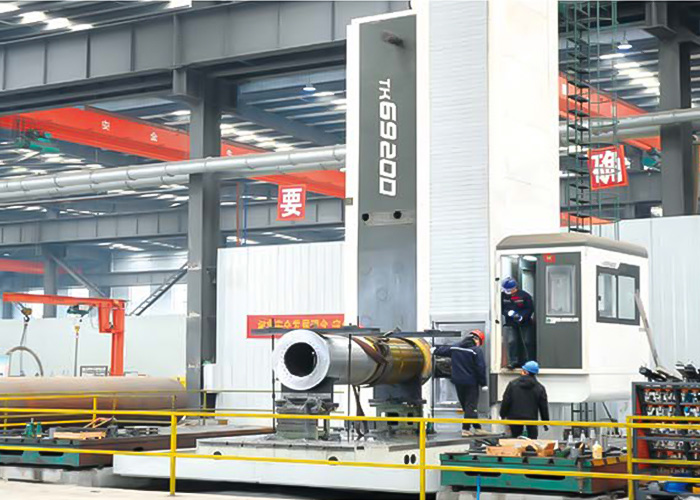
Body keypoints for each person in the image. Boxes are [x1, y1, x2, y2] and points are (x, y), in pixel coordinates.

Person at [434, 330, 488, 437]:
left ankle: (477, 428)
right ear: (477, 340)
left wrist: (433, 349)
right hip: (471, 383)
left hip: (458, 382)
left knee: (466, 406)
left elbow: (442, 351)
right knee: (470, 406)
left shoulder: (455, 347)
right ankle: (466, 429)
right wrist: (483, 383)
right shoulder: (475, 350)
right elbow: (480, 367)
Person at [499, 361, 549, 439]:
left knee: (515, 440)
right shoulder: (539, 388)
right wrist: (545, 421)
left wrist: (502, 414)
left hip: (514, 418)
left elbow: (506, 401)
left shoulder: (513, 384)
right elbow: (543, 406)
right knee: (532, 441)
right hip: (531, 419)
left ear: (525, 372)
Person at [501, 277, 535, 369]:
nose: (507, 292)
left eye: (509, 290)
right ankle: (513, 362)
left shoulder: (524, 296)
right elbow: (500, 308)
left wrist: (522, 316)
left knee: (527, 342)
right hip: (511, 323)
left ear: (515, 288)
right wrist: (508, 313)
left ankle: (529, 362)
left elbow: (530, 309)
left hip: (525, 323)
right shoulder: (503, 296)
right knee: (512, 341)